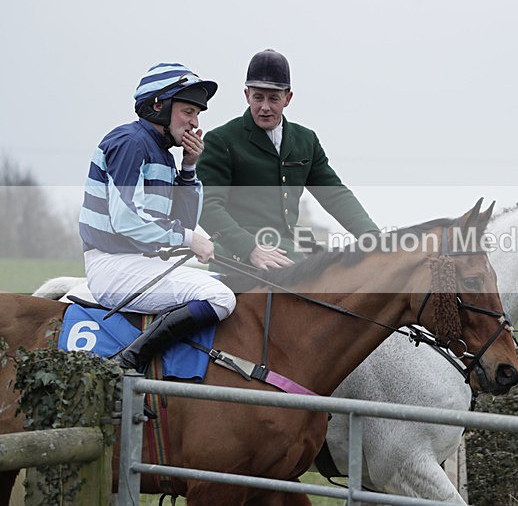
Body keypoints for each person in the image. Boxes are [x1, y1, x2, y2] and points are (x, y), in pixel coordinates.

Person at [78, 62, 236, 370]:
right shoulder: (130, 143)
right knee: (220, 298)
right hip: (113, 265)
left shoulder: (161, 153)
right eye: (188, 112)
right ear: (158, 106)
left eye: (197, 114)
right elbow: (127, 219)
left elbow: (182, 222)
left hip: (139, 263)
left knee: (233, 285)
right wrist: (190, 240)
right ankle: (125, 363)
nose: (195, 123)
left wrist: (188, 166)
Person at [196, 49, 379, 271]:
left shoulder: (306, 140)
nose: (264, 107)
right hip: (241, 258)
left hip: (293, 247)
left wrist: (372, 236)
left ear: (288, 98)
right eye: (258, 97)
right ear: (246, 95)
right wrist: (249, 248)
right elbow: (206, 205)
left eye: (273, 98)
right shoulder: (222, 140)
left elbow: (334, 194)